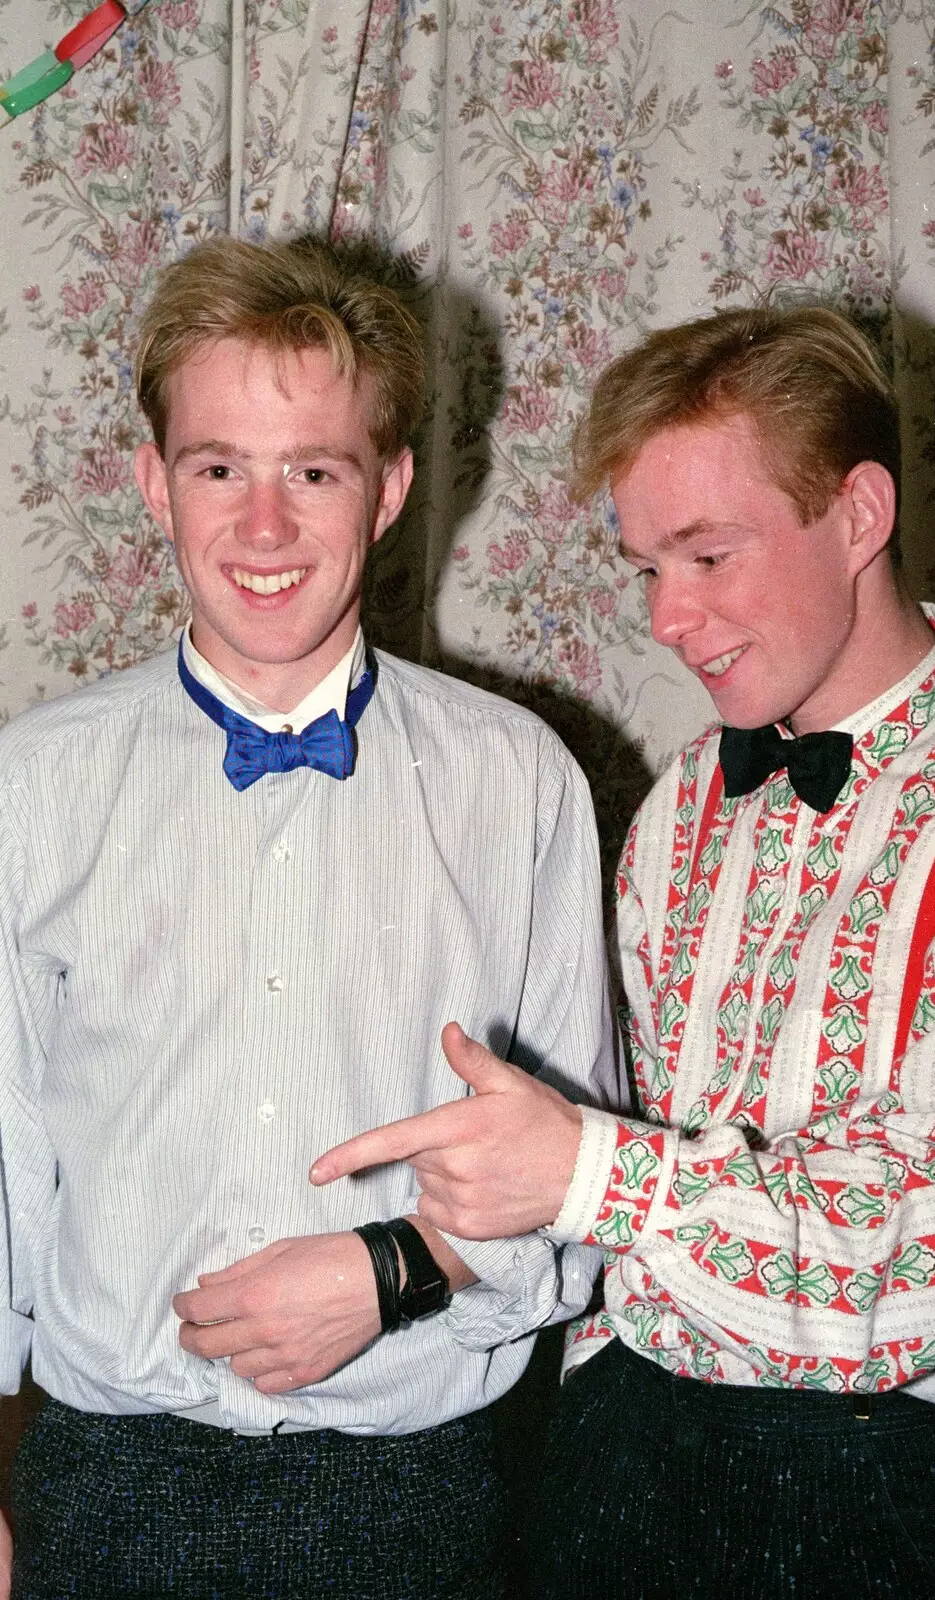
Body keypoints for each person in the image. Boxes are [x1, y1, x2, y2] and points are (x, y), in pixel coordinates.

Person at [314, 305, 935, 1598]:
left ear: (859, 514)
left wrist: (591, 1174)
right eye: (646, 566)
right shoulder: (687, 796)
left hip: (899, 1501)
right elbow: (597, 1165)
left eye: (707, 555)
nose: (668, 616)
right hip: (624, 1464)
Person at [0, 234, 618, 1599]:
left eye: (314, 471)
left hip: (424, 1507)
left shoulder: (518, 781)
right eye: (220, 466)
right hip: (106, 1499)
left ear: (389, 490)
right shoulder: (29, 786)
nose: (264, 526)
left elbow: (588, 1181)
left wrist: (394, 1270)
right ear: (152, 483)